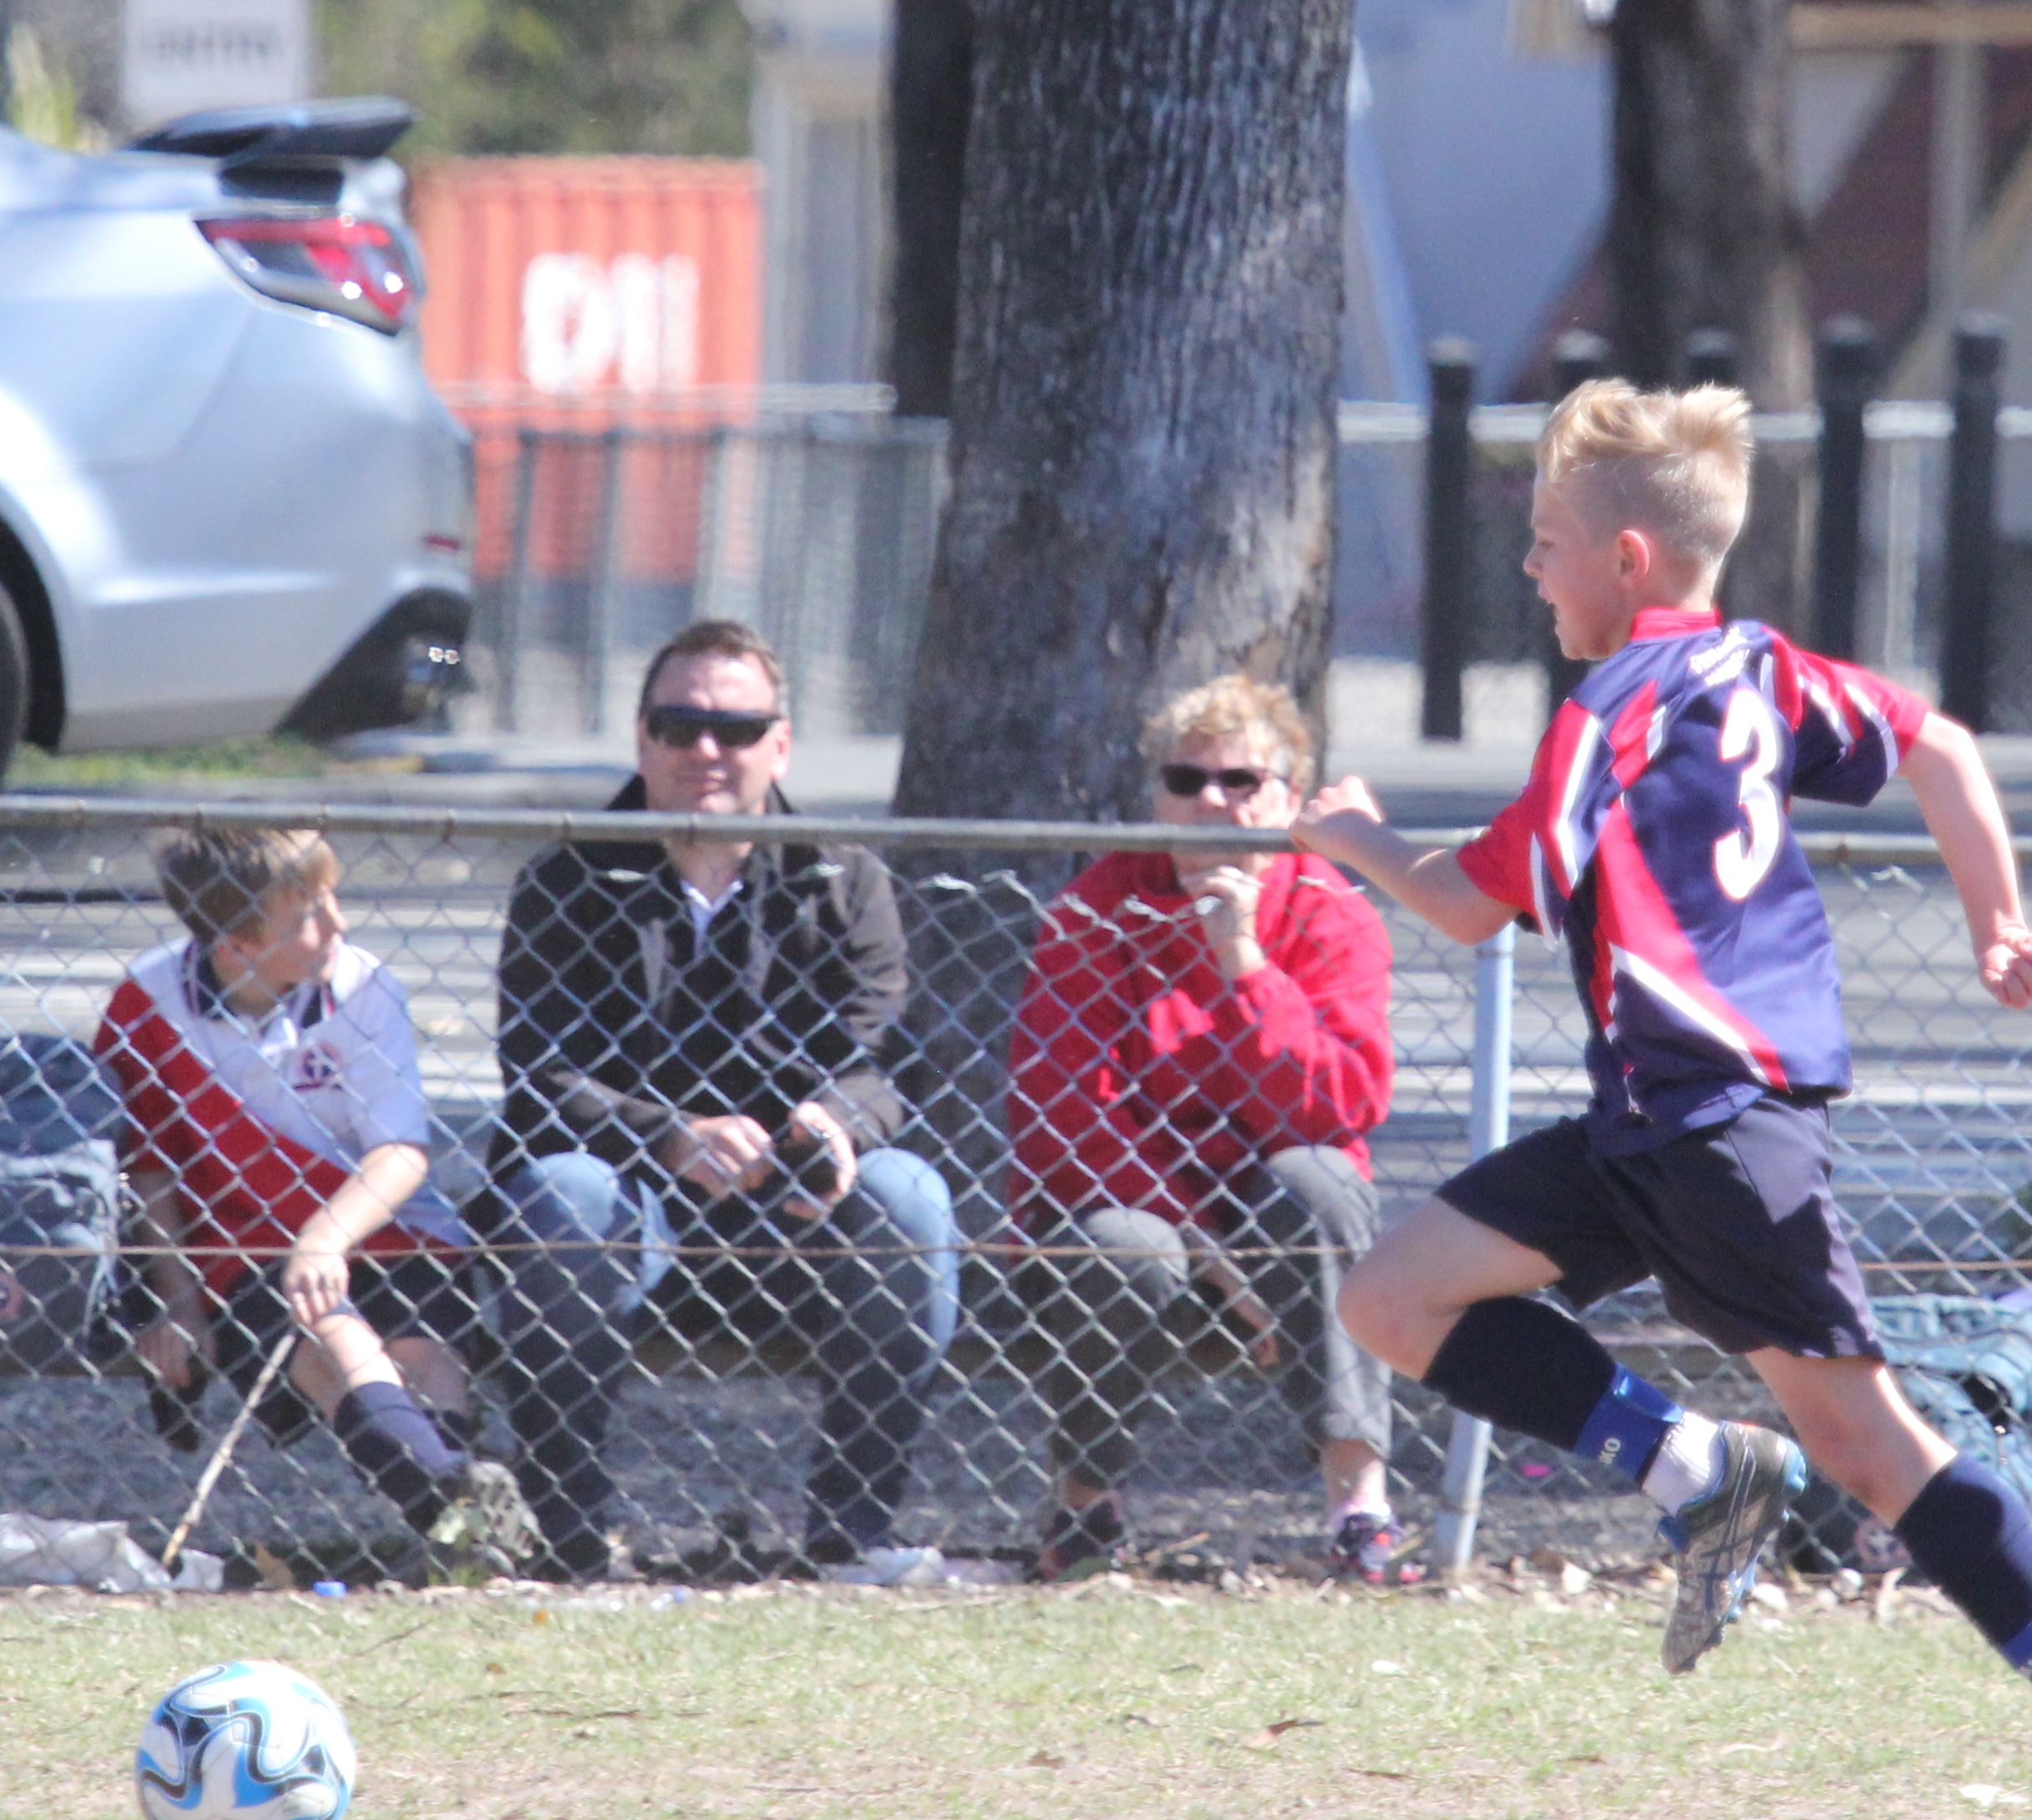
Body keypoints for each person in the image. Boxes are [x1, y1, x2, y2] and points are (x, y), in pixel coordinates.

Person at [1295, 377, 2032, 1820]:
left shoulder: (1608, 710)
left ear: (1629, 560)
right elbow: (1939, 744)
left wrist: (1355, 838)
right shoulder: (1762, 668)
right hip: (1643, 1125)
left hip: (1719, 1132)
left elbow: (1469, 904)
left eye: (1542, 542)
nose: (1528, 570)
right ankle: (1694, 1467)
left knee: (1869, 1450)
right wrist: (1997, 922)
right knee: (1393, 1298)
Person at [492, 620, 959, 1586]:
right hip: (634, 1197)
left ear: (780, 745)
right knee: (562, 1193)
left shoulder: (845, 878)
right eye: (679, 724)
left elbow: (888, 1063)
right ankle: (572, 1538)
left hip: (799, 1202)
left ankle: (851, 1535)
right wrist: (666, 1136)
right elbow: (540, 1075)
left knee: (909, 1197)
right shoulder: (568, 879)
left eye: (737, 729)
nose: (707, 751)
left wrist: (836, 1125)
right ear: (641, 739)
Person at [1002, 672, 1398, 1582]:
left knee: (1322, 1184)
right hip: (1135, 1211)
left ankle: (1357, 1502)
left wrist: (1248, 967)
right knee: (1123, 1249)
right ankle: (1086, 1511)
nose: (1211, 803)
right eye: (1185, 782)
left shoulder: (1330, 908)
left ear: (1290, 801)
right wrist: (1205, 1249)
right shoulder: (1099, 905)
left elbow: (1339, 1107)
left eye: (1241, 783)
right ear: (1157, 799)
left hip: (1277, 1210)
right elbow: (1065, 1118)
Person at [106, 823, 538, 1579]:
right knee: (339, 1341)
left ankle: (456, 1533)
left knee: (424, 1357)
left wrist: (327, 1239)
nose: (337, 922)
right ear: (235, 947)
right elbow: (149, 1172)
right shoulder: (147, 1007)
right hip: (247, 1249)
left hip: (384, 1224)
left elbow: (400, 1151)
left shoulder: (364, 986)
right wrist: (177, 1301)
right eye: (308, 912)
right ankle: (460, 1510)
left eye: (331, 897)